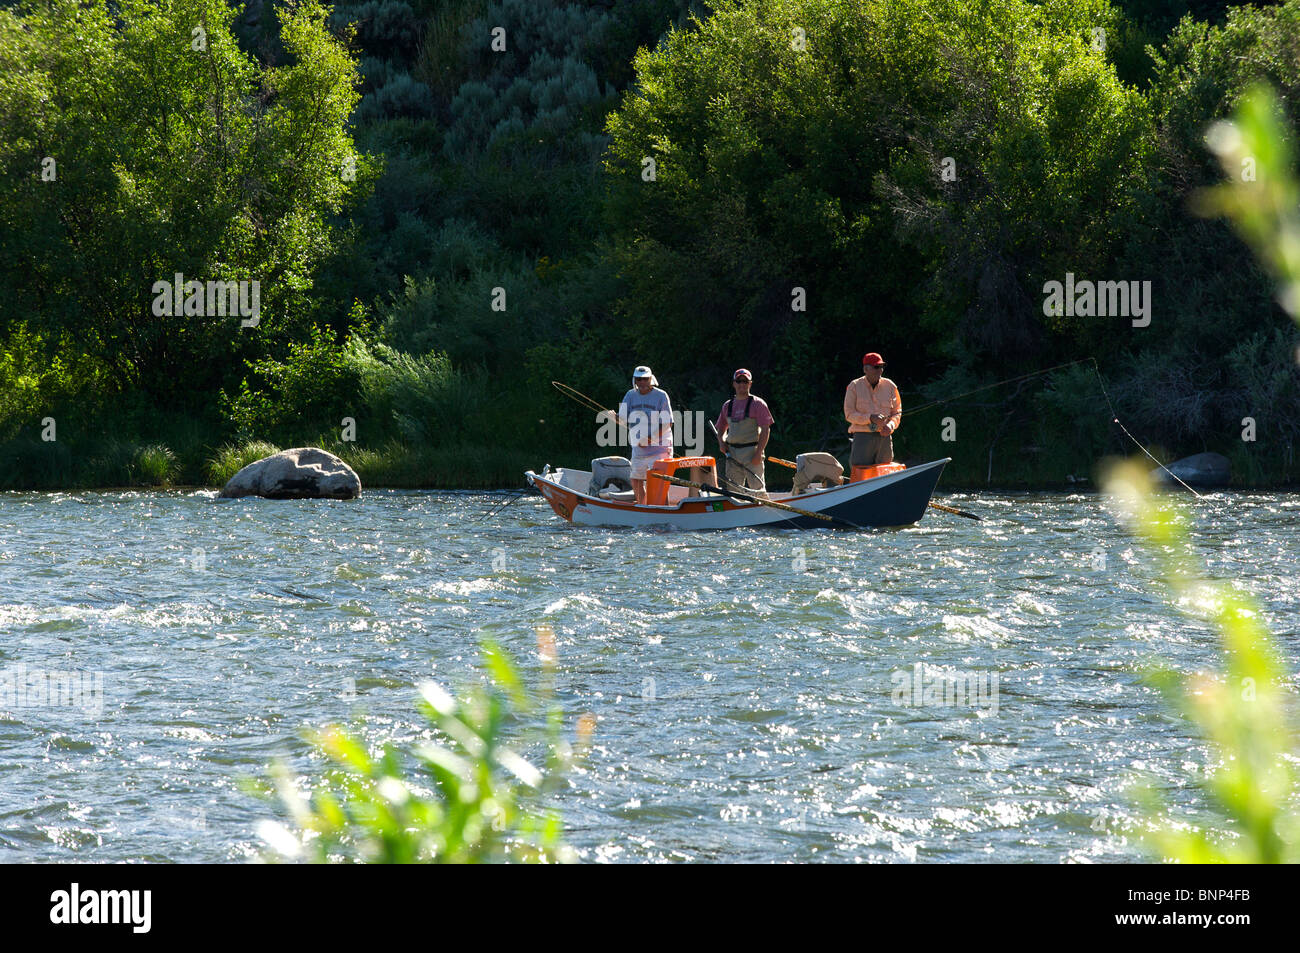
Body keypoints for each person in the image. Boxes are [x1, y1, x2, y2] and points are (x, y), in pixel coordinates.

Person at [621, 366, 674, 504]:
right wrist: (614, 417)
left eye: (645, 379)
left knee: (659, 482)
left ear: (651, 379)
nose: (642, 382)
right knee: (636, 479)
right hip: (638, 448)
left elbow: (668, 423)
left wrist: (650, 439)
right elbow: (622, 419)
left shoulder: (661, 395)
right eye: (639, 379)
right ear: (635, 380)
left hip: (660, 448)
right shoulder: (630, 395)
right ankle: (644, 509)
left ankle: (665, 511)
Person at [715, 368, 773, 492]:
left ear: (750, 384)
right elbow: (720, 428)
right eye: (739, 381)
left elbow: (765, 430)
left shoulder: (759, 404)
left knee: (758, 490)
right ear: (734, 383)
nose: (742, 384)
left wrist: (758, 453)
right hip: (732, 454)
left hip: (752, 452)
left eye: (745, 381)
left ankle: (762, 510)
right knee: (733, 491)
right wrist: (721, 442)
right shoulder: (727, 405)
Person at [844, 352, 901, 466]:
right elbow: (849, 415)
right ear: (865, 369)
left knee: (885, 473)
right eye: (876, 367)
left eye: (881, 367)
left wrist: (890, 425)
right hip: (862, 437)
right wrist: (870, 418)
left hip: (884, 437)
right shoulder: (854, 386)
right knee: (861, 473)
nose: (879, 370)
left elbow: (897, 412)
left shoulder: (890, 386)